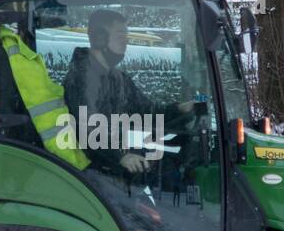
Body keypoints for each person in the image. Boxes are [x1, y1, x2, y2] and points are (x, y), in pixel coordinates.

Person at [62, 10, 194, 176]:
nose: (126, 41)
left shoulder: (117, 78)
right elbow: (89, 127)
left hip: (110, 166)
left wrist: (179, 109)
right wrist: (121, 156)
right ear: (100, 37)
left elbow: (146, 111)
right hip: (90, 172)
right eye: (120, 34)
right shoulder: (82, 77)